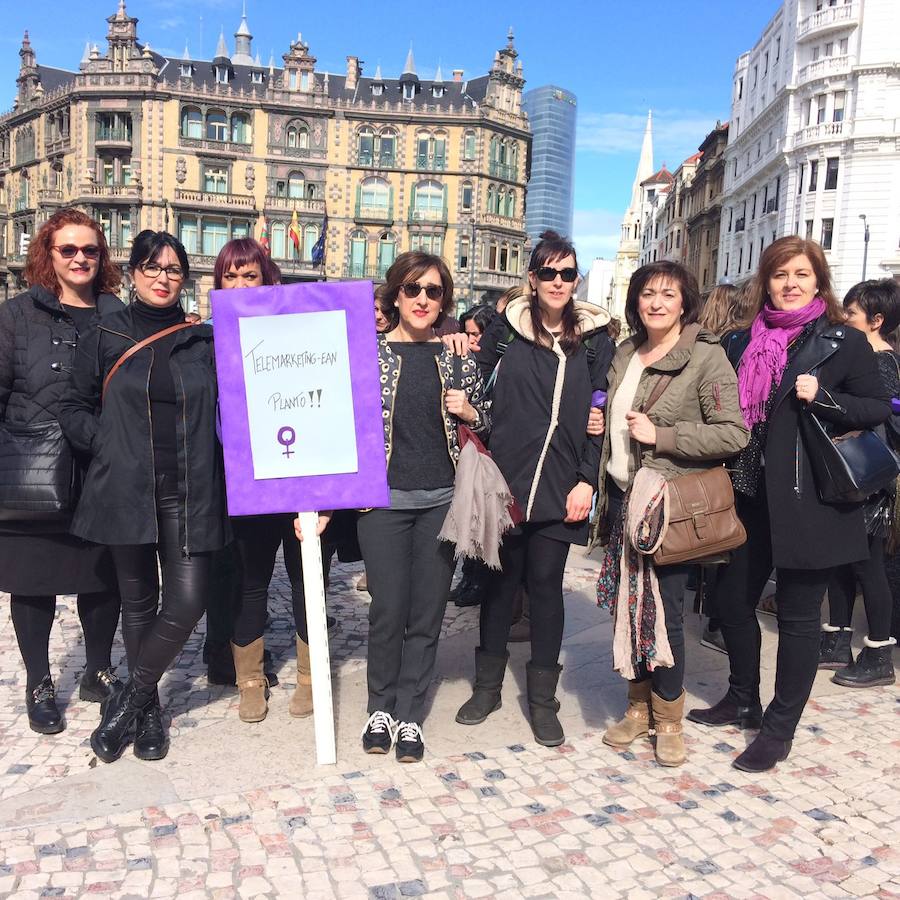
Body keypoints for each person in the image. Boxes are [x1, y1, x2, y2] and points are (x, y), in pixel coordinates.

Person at [687, 237, 891, 772]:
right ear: (766, 282)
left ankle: (778, 731)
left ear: (817, 279)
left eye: (801, 273)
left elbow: (874, 409)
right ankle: (743, 698)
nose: (790, 283)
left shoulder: (841, 341)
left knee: (800, 620)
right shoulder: (741, 341)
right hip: (748, 495)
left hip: (810, 500)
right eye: (780, 275)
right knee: (731, 604)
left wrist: (823, 398)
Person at [60, 230, 229, 763]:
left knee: (186, 600)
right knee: (138, 604)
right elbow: (72, 406)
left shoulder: (202, 339)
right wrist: (106, 445)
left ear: (185, 278)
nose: (163, 278)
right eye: (152, 268)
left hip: (187, 489)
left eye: (173, 269)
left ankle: (128, 700)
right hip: (125, 489)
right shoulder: (105, 331)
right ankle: (151, 713)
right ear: (133, 273)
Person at [455, 230, 615, 747]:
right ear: (532, 277)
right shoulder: (507, 329)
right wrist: (458, 343)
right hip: (505, 481)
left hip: (560, 484)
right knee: (500, 585)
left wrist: (586, 480)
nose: (558, 282)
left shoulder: (592, 338)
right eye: (548, 272)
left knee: (546, 588)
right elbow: (475, 378)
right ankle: (486, 687)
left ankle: (543, 701)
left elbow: (599, 413)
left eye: (568, 273)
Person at [594, 261, 749, 766]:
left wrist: (662, 436)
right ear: (635, 302)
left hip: (667, 504)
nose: (656, 302)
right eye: (647, 294)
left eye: (668, 294)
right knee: (628, 609)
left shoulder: (705, 358)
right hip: (622, 500)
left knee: (665, 614)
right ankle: (637, 710)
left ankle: (670, 719)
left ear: (685, 302)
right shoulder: (625, 353)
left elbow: (733, 433)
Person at [359, 251, 489, 763]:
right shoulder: (368, 354)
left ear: (443, 302)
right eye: (412, 289)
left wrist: (471, 409)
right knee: (388, 610)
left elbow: (487, 423)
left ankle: (410, 715)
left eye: (433, 291)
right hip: (382, 505)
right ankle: (380, 707)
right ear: (395, 295)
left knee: (427, 612)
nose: (422, 299)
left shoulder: (457, 357)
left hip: (441, 502)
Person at [0, 209, 123, 734]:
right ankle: (39, 682)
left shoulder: (118, 312)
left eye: (89, 250)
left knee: (103, 576)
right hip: (31, 466)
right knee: (33, 580)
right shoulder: (15, 315)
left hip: (101, 466)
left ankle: (97, 670)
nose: (79, 258)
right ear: (47, 255)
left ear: (102, 256)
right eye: (68, 250)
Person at [208, 237, 331, 723]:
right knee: (250, 581)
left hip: (298, 472)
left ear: (269, 280)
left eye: (249, 275)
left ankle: (308, 676)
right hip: (245, 476)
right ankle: (250, 681)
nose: (239, 285)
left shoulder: (299, 330)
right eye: (230, 276)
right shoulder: (206, 337)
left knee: (307, 578)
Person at [820, 279, 900, 686]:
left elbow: (873, 418)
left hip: (869, 480)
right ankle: (836, 639)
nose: (845, 319)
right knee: (843, 560)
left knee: (869, 567)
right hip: (853, 477)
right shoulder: (863, 354)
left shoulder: (881, 361)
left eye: (851, 313)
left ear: (877, 320)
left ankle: (879, 653)